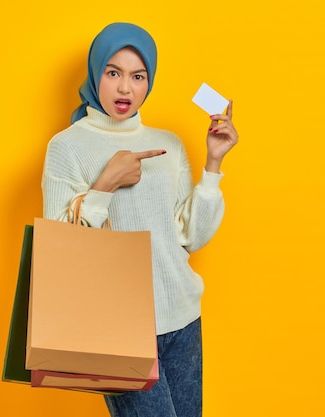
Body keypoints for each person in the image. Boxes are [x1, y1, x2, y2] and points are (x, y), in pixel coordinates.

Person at [41, 22, 238, 417]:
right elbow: (59, 245)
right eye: (113, 73)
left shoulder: (168, 144)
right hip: (117, 328)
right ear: (97, 73)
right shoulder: (67, 147)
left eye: (138, 76)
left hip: (183, 319)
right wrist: (104, 186)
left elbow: (190, 236)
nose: (125, 88)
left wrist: (213, 163)